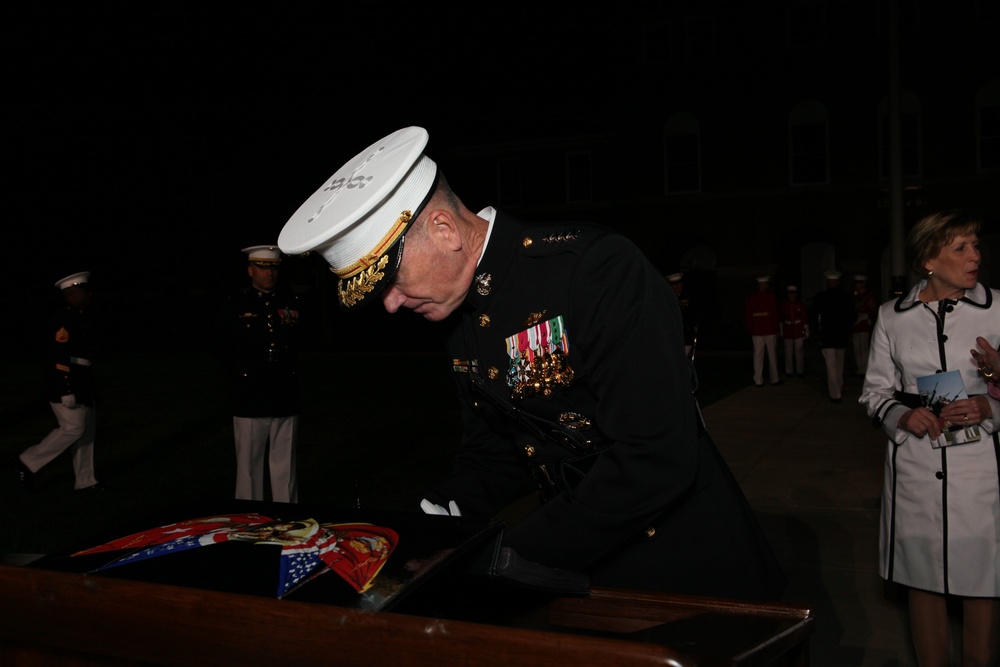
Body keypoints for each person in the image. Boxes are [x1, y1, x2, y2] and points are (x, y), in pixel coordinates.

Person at [276, 126, 785, 600]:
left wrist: (509, 555)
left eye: (391, 279)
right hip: (581, 559)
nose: (390, 304)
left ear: (445, 229)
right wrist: (434, 515)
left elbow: (655, 454)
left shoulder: (594, 270)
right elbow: (496, 448)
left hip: (686, 564)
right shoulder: (456, 312)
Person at [859, 209, 999, 667]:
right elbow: (874, 392)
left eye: (975, 245)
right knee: (923, 579)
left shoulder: (998, 307)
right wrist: (901, 416)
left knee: (982, 577)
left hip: (980, 467)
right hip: (916, 468)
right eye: (961, 247)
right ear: (929, 261)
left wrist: (991, 406)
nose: (975, 255)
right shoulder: (891, 318)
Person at [214, 245, 303, 503]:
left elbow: (299, 344)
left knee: (285, 466)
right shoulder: (235, 305)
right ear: (250, 270)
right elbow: (222, 349)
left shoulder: (290, 303)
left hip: (285, 391)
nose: (269, 273)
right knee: (249, 469)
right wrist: (242, 376)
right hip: (249, 393)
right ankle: (249, 521)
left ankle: (287, 519)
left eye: (274, 267)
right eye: (263, 267)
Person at [16, 272, 105, 491]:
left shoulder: (81, 317)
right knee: (73, 427)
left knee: (86, 432)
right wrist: (67, 389)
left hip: (82, 380)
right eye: (70, 292)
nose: (75, 295)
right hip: (65, 381)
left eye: (78, 291)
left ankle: (85, 480)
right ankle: (28, 461)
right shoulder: (63, 320)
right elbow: (59, 356)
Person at [810, 270, 855, 403]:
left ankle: (835, 393)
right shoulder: (845, 297)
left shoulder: (820, 297)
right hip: (841, 335)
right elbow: (852, 316)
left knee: (831, 366)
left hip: (827, 336)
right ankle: (838, 388)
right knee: (839, 364)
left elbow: (813, 316)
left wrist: (815, 332)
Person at [744, 276, 781, 386]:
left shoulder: (751, 298)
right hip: (769, 328)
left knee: (758, 355)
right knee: (772, 355)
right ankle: (774, 378)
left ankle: (758, 379)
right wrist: (776, 329)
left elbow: (748, 315)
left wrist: (751, 328)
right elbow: (774, 314)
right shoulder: (770, 297)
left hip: (757, 329)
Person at [666, 272, 698, 360]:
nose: (677, 287)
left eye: (679, 284)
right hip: (671, 335)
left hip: (686, 335)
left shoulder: (689, 298)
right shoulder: (666, 299)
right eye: (674, 285)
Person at [851, 274, 878, 376]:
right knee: (857, 349)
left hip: (864, 325)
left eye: (859, 284)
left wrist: (863, 317)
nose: (857, 286)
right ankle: (860, 369)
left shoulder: (868, 296)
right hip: (855, 326)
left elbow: (872, 310)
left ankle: (866, 369)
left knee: (864, 349)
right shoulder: (854, 296)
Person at [779, 285, 808, 378]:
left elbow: (804, 317)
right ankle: (789, 371)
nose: (792, 296)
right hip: (788, 329)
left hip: (798, 328)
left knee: (799, 351)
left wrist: (806, 329)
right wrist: (781, 330)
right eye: (790, 294)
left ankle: (800, 370)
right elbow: (781, 318)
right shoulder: (784, 305)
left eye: (793, 294)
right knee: (788, 352)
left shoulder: (799, 305)